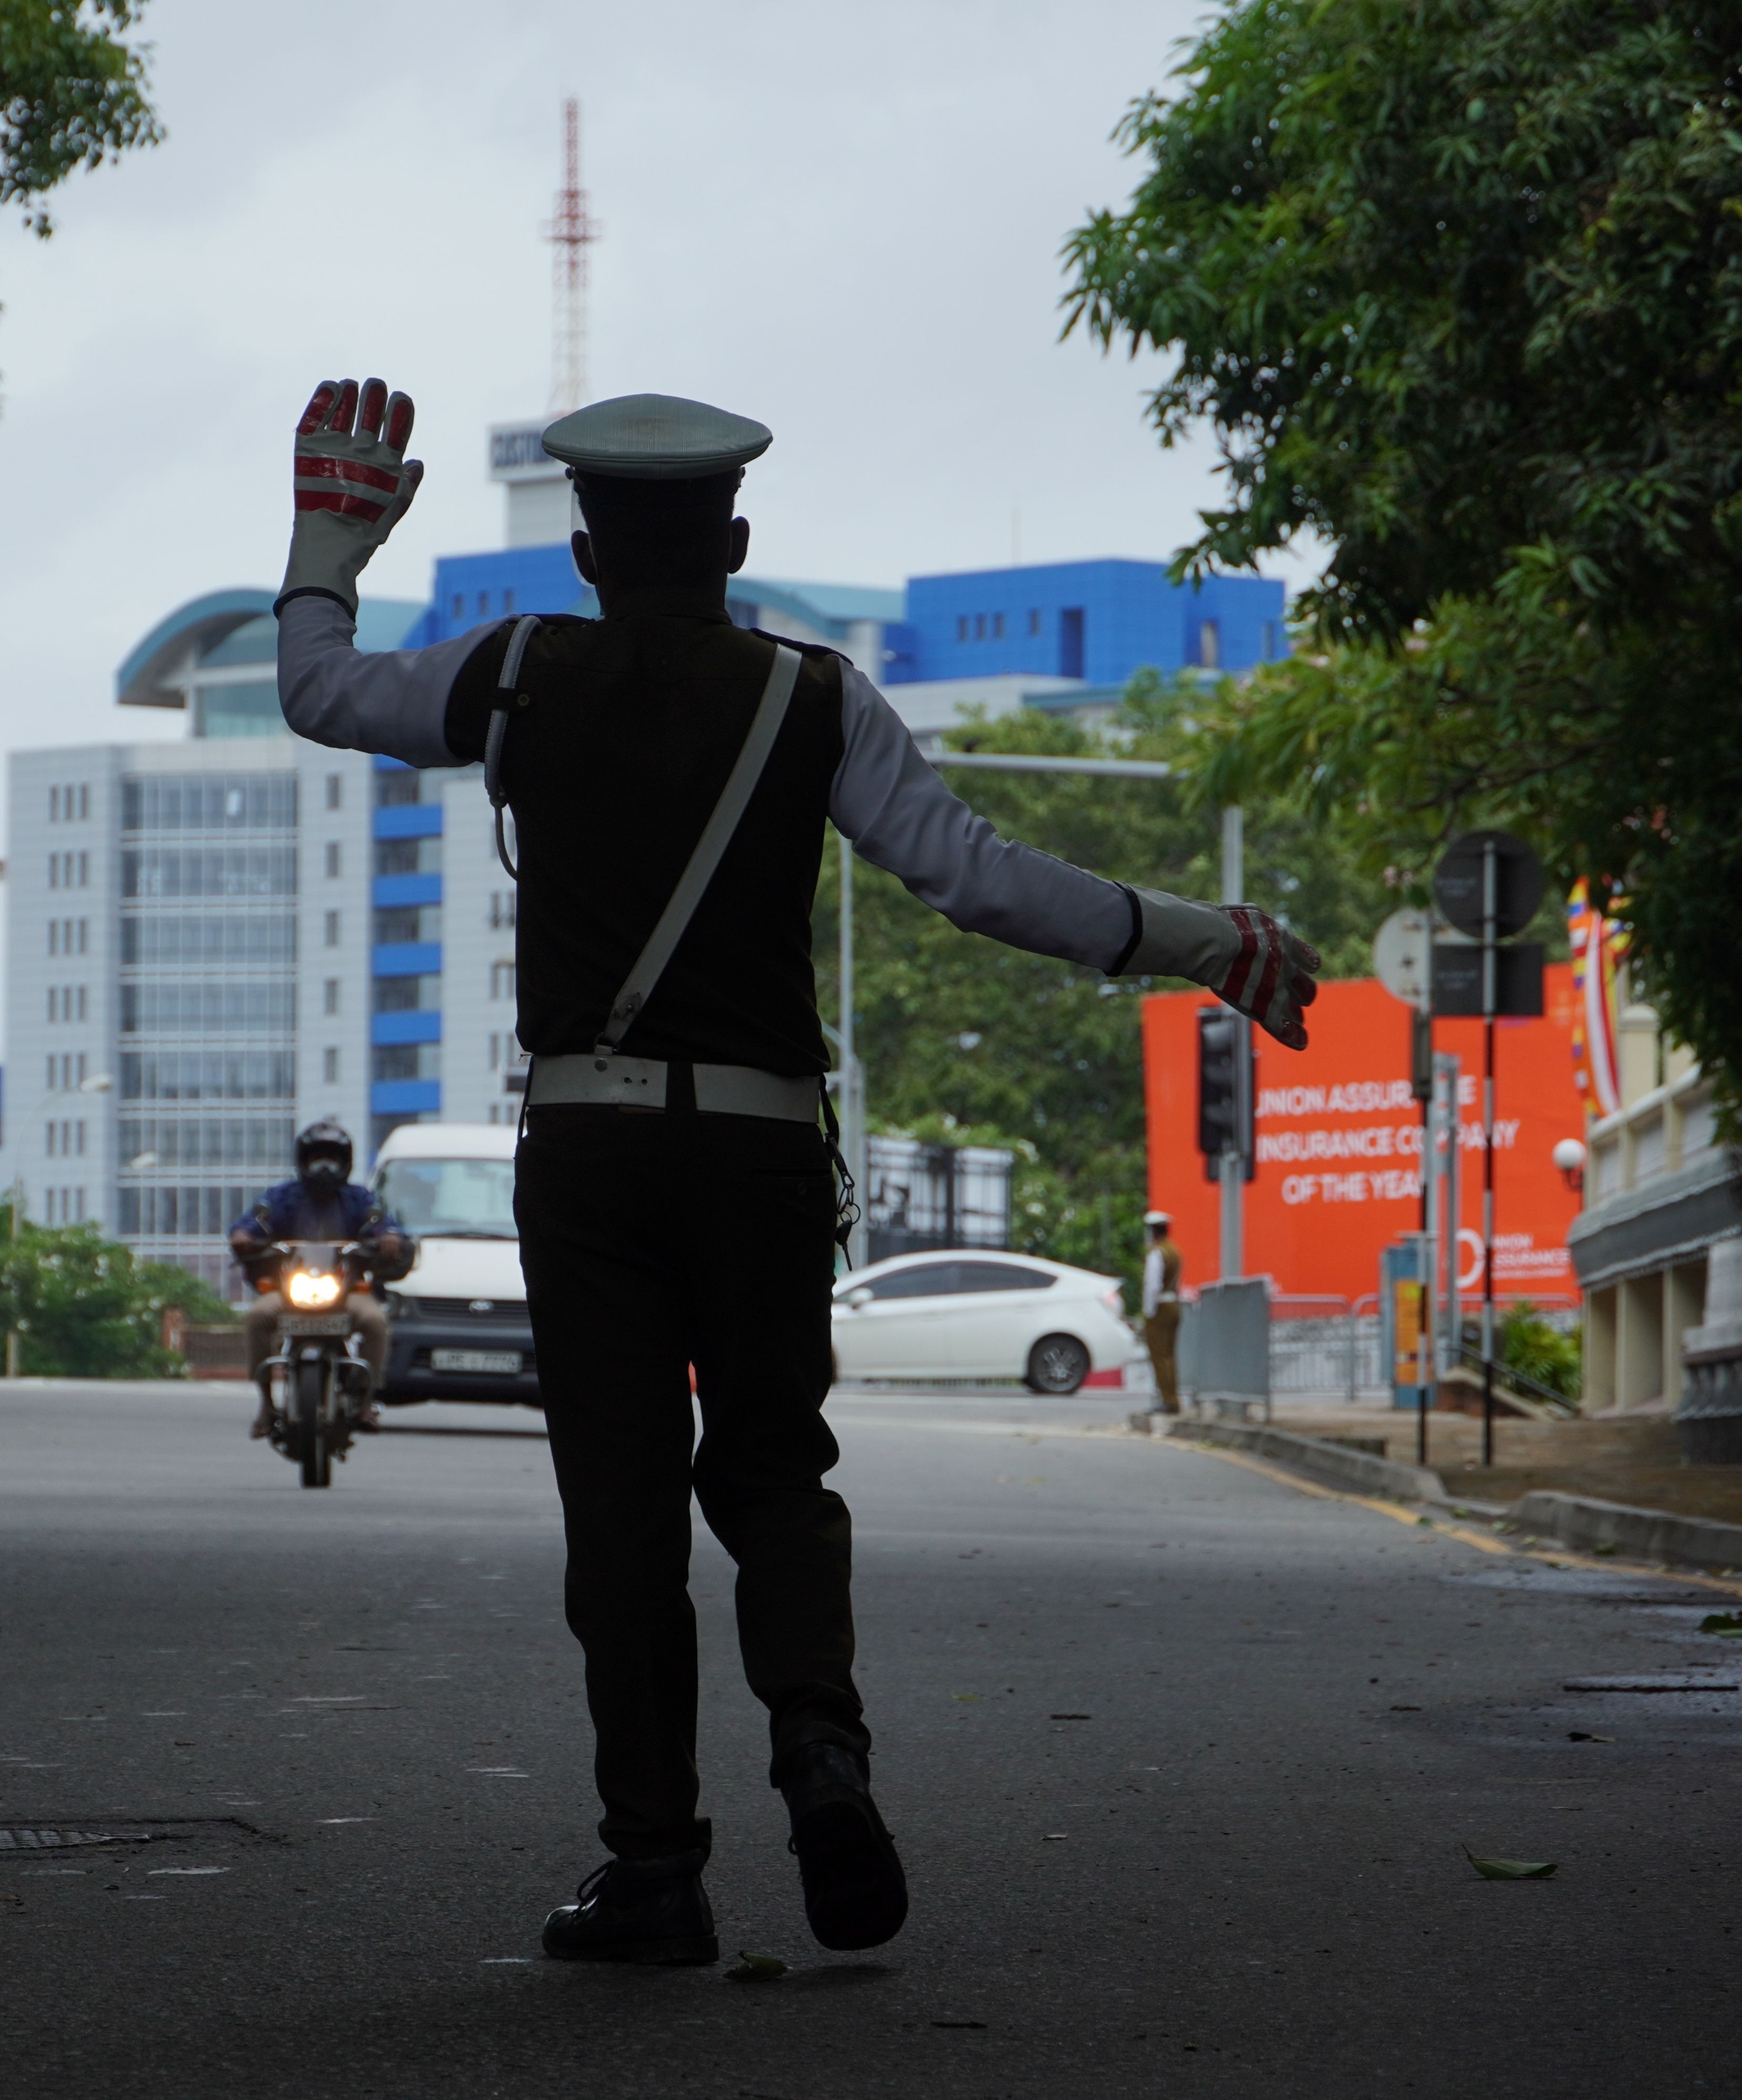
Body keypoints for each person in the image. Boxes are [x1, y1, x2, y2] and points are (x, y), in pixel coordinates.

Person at [269, 377, 1321, 1965]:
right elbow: (982, 882)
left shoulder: (520, 672)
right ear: (737, 542)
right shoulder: (813, 699)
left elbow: (320, 691)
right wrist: (1205, 941)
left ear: (585, 551)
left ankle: (657, 1871)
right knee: (774, 1471)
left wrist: (328, 537)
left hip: (592, 1147)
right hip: (760, 1153)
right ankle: (822, 1754)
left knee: (619, 1513)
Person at [227, 1118, 414, 1436]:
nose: (325, 1167)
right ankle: (266, 1404)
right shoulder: (281, 1197)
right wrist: (243, 1235)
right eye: (317, 1158)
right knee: (258, 1316)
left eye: (333, 1158)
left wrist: (390, 1238)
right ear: (303, 1160)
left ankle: (365, 1398)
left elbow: (385, 1224)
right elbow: (250, 1223)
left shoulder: (360, 1199)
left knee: (375, 1321)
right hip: (289, 1291)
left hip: (346, 1291)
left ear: (346, 1162)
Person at [1141, 1211, 1185, 1411]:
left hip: (1160, 1307)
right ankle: (1172, 1397)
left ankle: (1168, 1400)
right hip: (1174, 1303)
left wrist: (1148, 1312)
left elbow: (1152, 1285)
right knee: (1169, 1355)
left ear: (1152, 1232)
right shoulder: (1174, 1251)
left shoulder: (1157, 1253)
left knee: (1159, 1355)